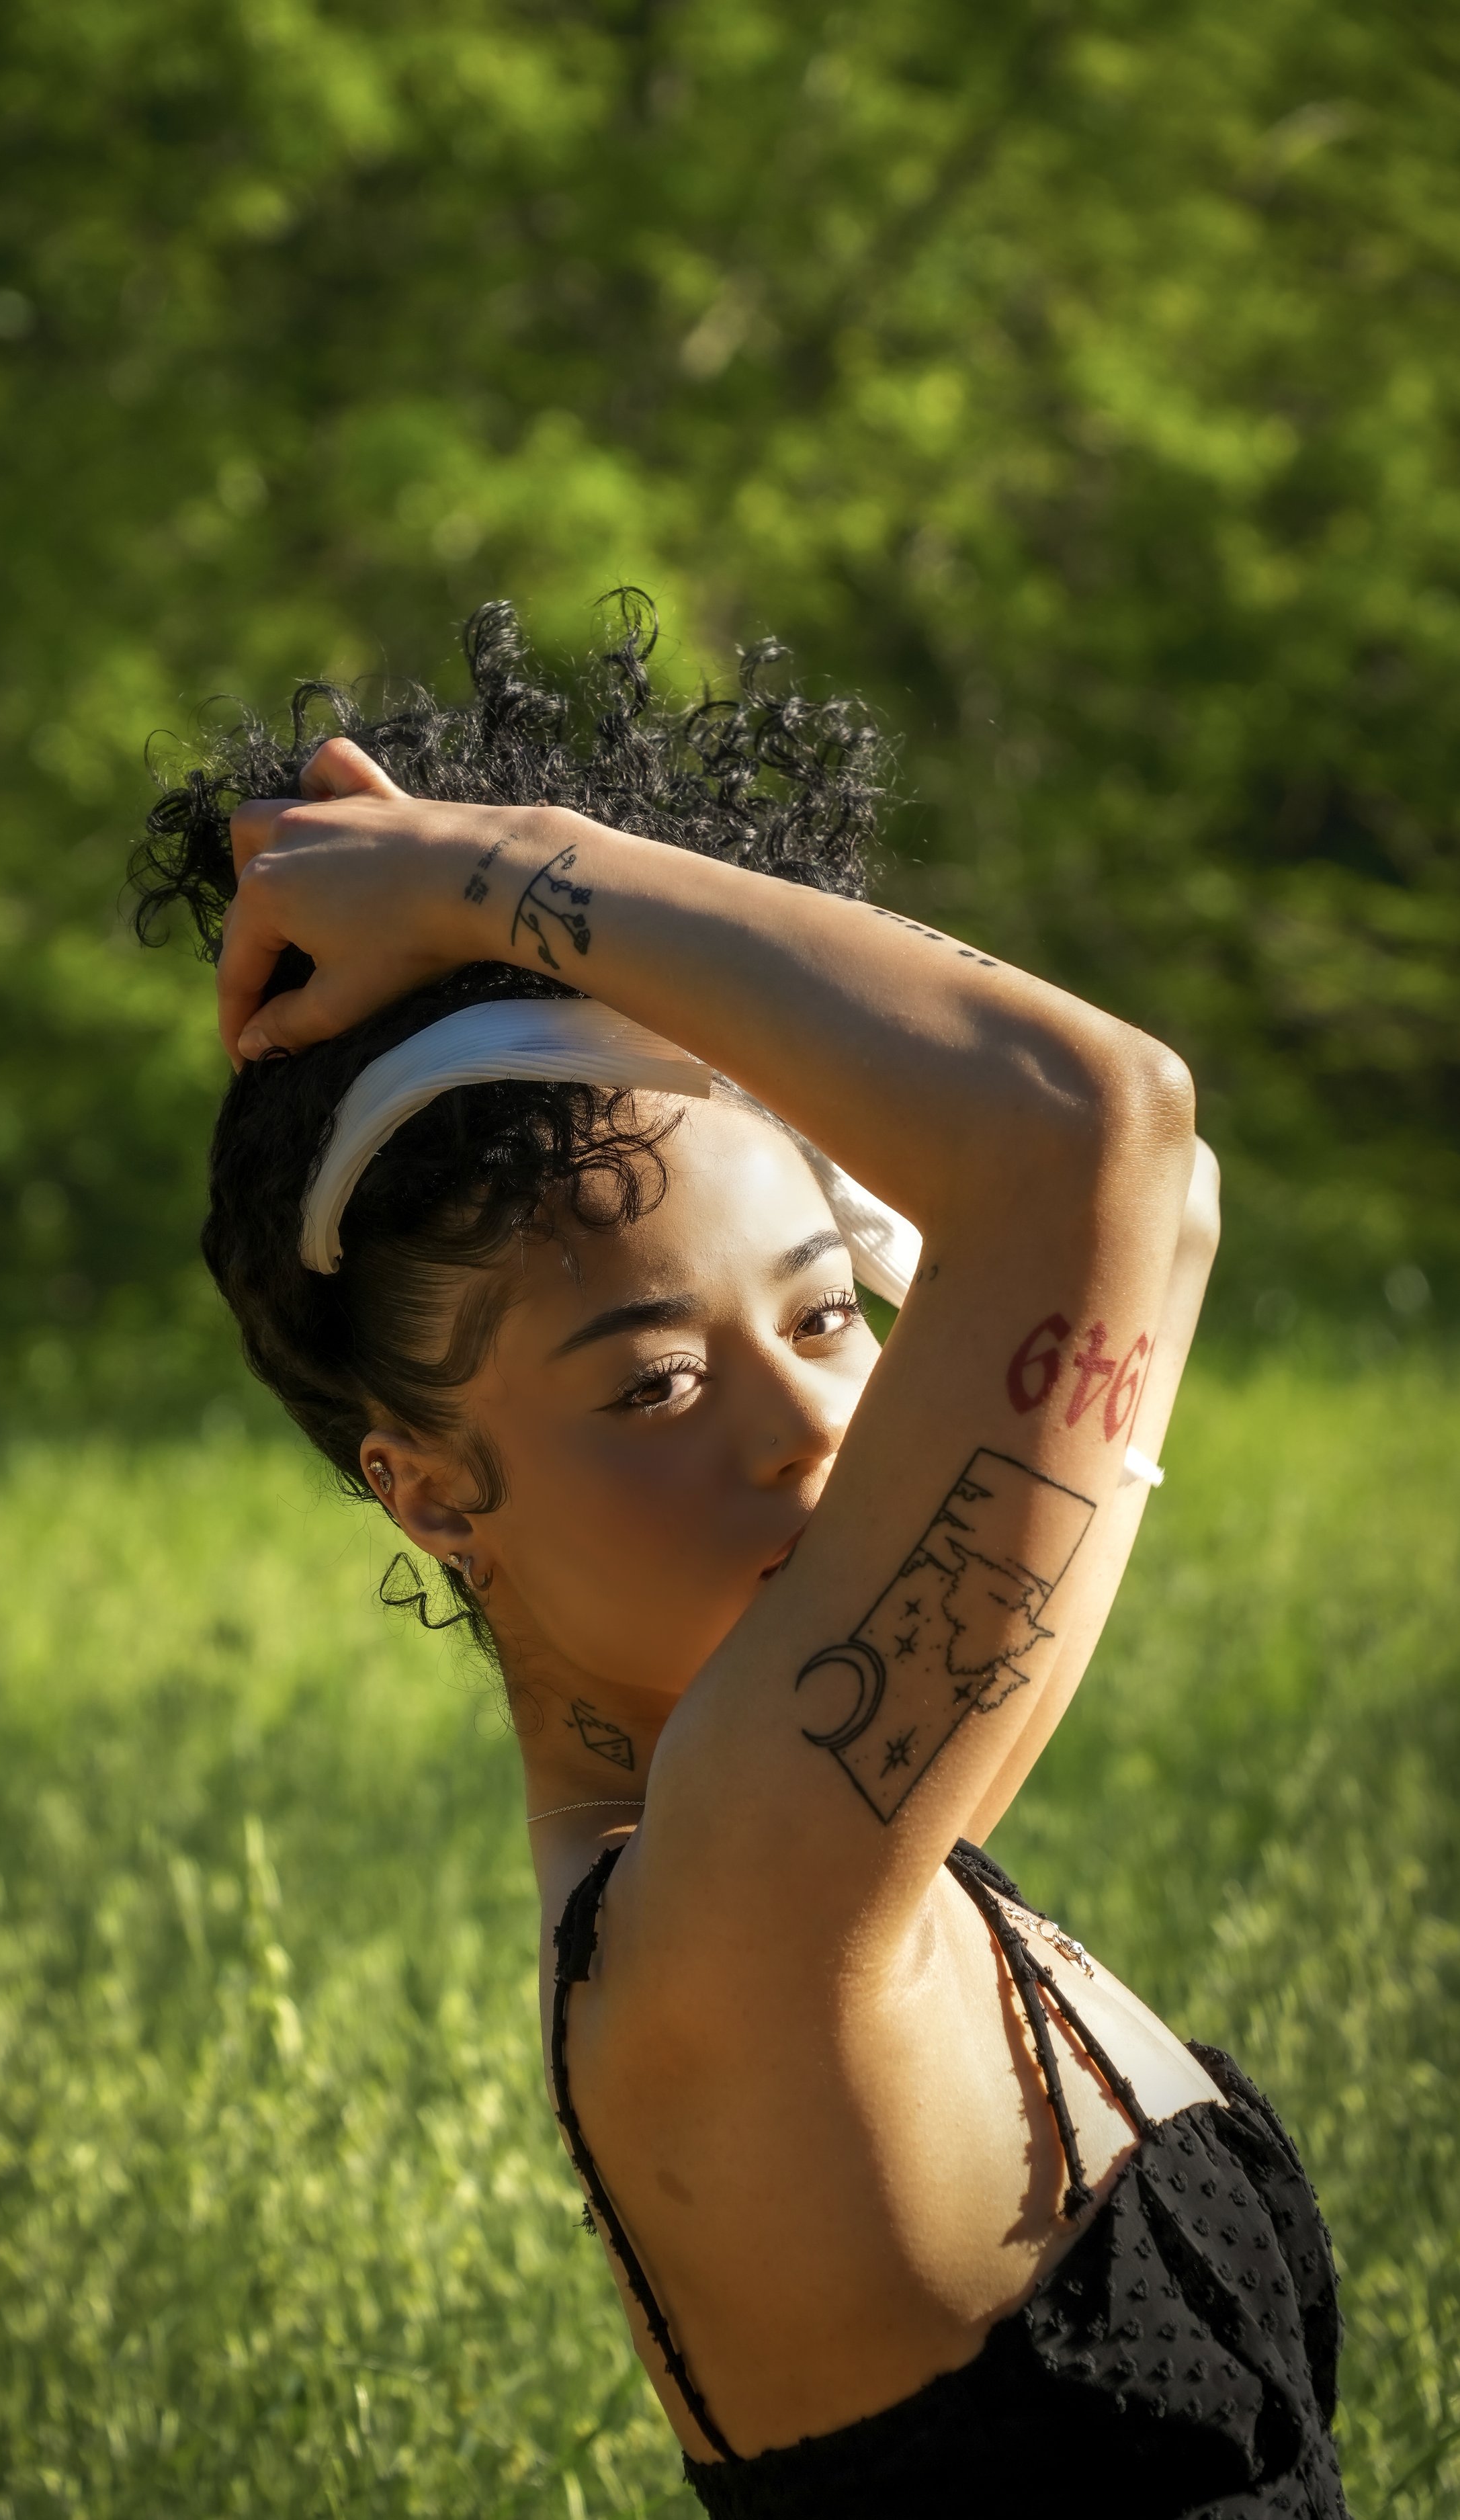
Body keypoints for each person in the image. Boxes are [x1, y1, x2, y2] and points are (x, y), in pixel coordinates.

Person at [133, 599, 1350, 2517]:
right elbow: (1095, 1121)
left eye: (829, 1311)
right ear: (428, 1487)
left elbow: (1154, 1195)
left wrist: (667, 1026)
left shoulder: (803, 1820)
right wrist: (478, 873)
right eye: (655, 1384)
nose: (808, 1428)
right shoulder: (748, 1909)